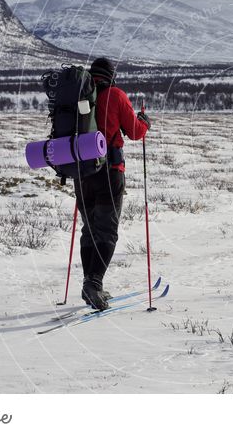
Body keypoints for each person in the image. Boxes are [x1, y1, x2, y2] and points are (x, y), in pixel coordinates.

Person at [75, 57, 150, 310]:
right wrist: (145, 122)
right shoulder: (115, 95)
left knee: (90, 230)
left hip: (80, 172)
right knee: (107, 230)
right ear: (111, 75)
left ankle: (90, 283)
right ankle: (94, 284)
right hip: (109, 172)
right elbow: (135, 131)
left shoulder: (77, 96)